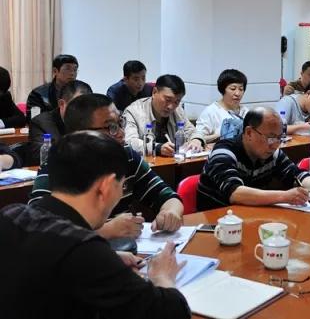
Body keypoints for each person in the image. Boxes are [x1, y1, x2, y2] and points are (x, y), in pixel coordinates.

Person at [1, 132, 190, 318]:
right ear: (105, 187)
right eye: (121, 185)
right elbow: (172, 311)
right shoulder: (84, 250)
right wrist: (162, 276)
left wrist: (109, 258)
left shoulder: (11, 214)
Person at [30, 94, 184, 239]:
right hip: (78, 251)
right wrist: (107, 231)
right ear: (81, 134)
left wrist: (170, 212)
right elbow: (37, 228)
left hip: (126, 249)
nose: (121, 133)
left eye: (120, 123)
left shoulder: (127, 155)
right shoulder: (57, 166)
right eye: (111, 127)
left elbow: (165, 194)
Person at [197, 107, 310, 210]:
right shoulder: (224, 152)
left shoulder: (272, 153)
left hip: (251, 215)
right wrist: (284, 196)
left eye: (279, 138)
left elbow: (296, 174)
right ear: (249, 132)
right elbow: (235, 193)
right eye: (270, 138)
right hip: (218, 222)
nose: (275, 145)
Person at [123, 74, 205, 157]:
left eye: (176, 102)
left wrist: (196, 140)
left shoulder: (177, 110)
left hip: (174, 161)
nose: (171, 107)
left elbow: (191, 131)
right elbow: (129, 142)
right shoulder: (133, 112)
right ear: (154, 92)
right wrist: (157, 148)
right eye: (167, 100)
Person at [27, 80, 93, 165]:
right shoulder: (41, 123)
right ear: (61, 104)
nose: (82, 112)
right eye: (77, 106)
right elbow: (38, 156)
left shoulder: (93, 121)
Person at [196, 69, 249, 143]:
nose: (237, 93)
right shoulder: (211, 112)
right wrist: (222, 135)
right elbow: (198, 137)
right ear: (223, 90)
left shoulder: (246, 112)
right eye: (233, 89)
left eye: (241, 89)